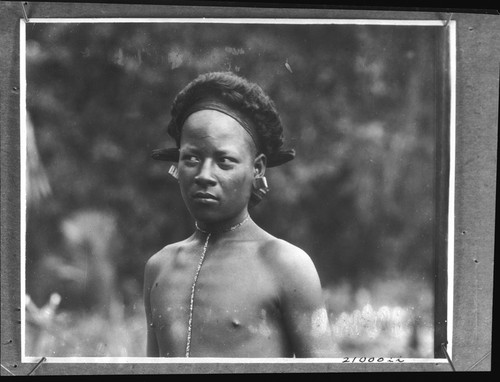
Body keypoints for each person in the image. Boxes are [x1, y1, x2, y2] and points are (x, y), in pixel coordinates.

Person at [144, 71, 334, 358]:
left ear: (256, 168)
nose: (204, 175)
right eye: (192, 158)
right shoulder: (159, 267)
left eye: (224, 161)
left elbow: (329, 373)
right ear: (178, 162)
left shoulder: (288, 265)